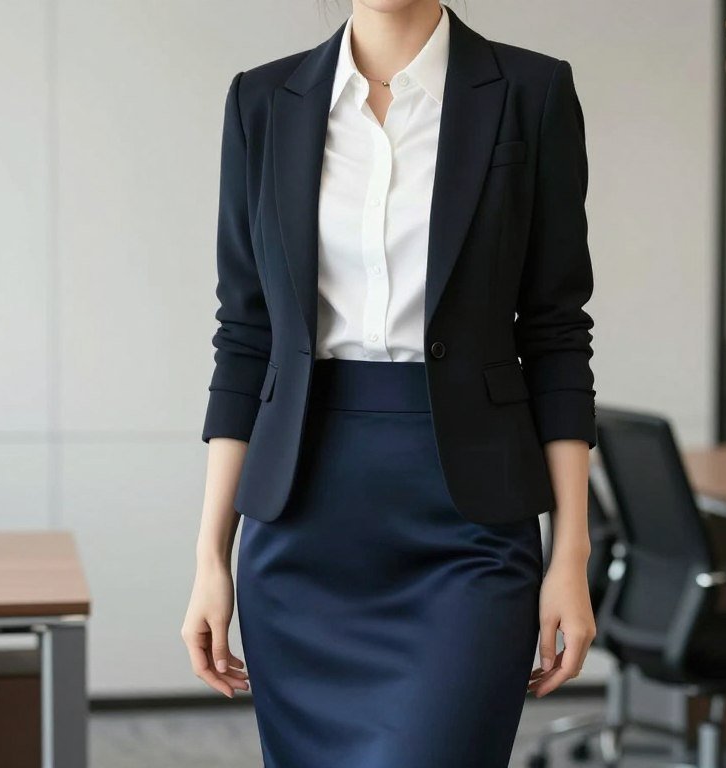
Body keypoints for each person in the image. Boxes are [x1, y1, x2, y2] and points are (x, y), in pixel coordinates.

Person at [182, 1, 598, 764]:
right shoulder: (262, 101)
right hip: (300, 524)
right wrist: (211, 557)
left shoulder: (531, 92)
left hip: (468, 527)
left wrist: (570, 553)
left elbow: (556, 335)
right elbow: (245, 342)